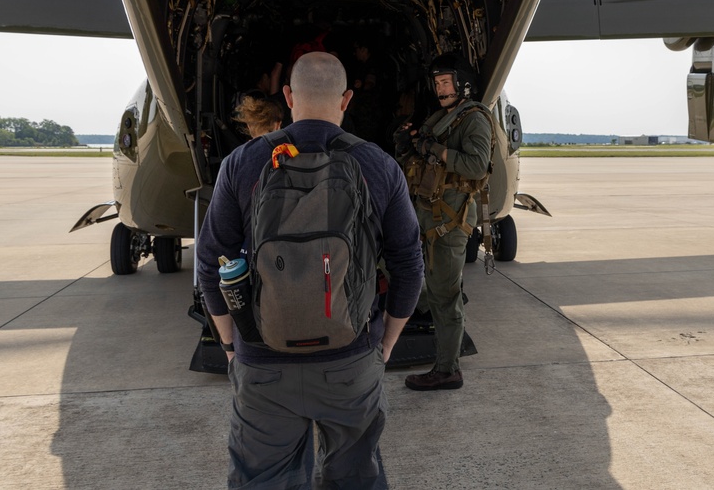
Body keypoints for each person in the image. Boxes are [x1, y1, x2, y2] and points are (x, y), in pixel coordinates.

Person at [196, 52, 424, 489]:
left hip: (263, 362)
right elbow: (409, 267)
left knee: (262, 480)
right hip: (351, 359)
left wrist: (230, 343)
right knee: (355, 477)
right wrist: (386, 344)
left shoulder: (241, 163)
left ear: (287, 96)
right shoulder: (379, 165)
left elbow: (211, 266)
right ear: (346, 100)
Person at [394, 53, 493, 391]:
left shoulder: (474, 118)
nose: (440, 88)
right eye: (436, 83)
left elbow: (477, 166)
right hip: (428, 216)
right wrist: (407, 144)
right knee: (425, 285)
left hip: (449, 223)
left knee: (445, 297)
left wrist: (434, 149)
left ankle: (448, 370)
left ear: (461, 82)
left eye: (445, 82)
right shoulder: (441, 116)